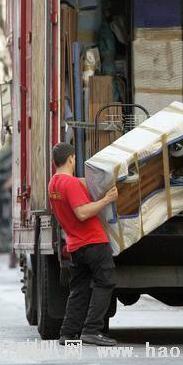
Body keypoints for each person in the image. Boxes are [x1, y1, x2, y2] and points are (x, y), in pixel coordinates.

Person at [48, 142, 118, 347]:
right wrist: (107, 199)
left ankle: (68, 333)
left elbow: (79, 184)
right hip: (94, 241)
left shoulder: (54, 183)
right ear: (71, 159)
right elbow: (82, 212)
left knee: (79, 289)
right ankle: (92, 330)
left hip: (75, 245)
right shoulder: (70, 185)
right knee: (105, 283)